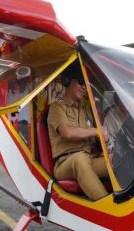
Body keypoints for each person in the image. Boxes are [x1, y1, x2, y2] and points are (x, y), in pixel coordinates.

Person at [47, 67, 109, 200]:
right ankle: (106, 207)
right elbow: (67, 132)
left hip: (88, 159)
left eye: (85, 84)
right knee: (79, 159)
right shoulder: (57, 107)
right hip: (65, 163)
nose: (84, 87)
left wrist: (103, 141)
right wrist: (95, 131)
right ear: (68, 81)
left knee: (116, 160)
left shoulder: (85, 111)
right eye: (81, 82)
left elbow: (92, 139)